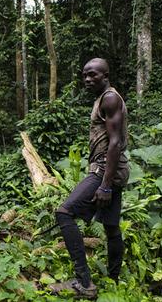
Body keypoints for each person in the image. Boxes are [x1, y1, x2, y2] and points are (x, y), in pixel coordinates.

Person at [49, 58, 129, 299]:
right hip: (112, 169)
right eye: (84, 75)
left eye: (92, 75)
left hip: (106, 169)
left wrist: (104, 185)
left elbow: (114, 142)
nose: (87, 80)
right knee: (112, 228)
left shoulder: (110, 98)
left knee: (64, 212)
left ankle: (84, 283)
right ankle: (113, 281)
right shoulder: (103, 99)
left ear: (105, 75)